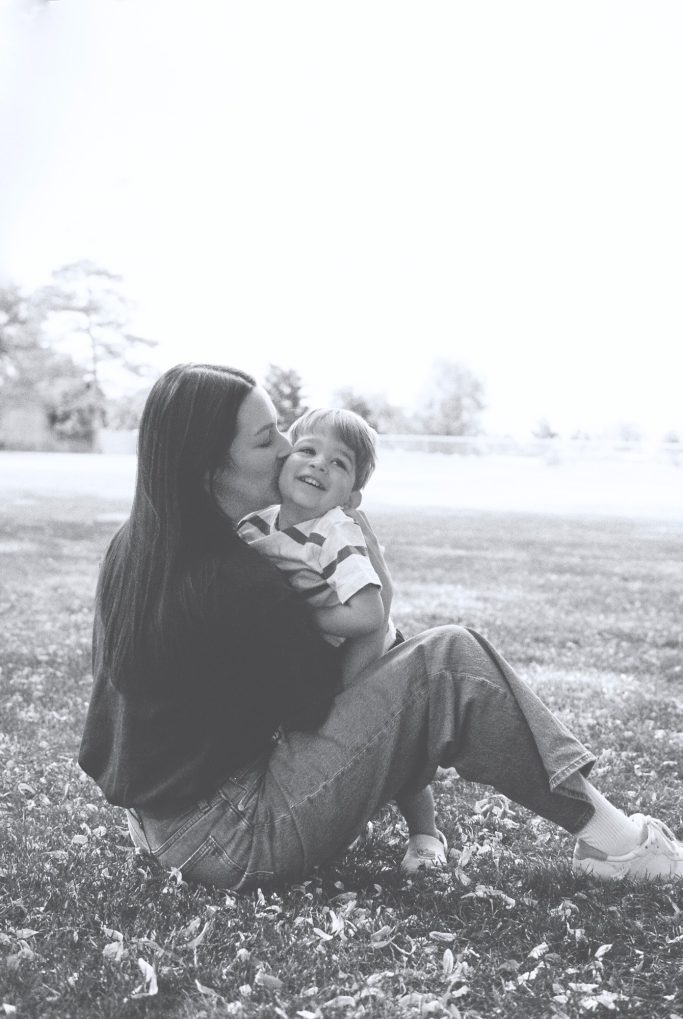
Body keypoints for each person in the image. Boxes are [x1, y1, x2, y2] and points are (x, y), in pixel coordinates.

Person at [79, 363, 683, 890]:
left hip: (158, 822)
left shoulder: (142, 545)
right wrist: (378, 608)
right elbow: (325, 706)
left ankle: (597, 833)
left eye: (282, 428)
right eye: (267, 440)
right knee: (448, 661)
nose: (288, 449)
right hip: (231, 837)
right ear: (210, 467)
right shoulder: (239, 579)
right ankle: (625, 846)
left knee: (424, 660)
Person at [238, 407, 446, 874]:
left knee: (396, 747)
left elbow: (369, 614)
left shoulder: (336, 531)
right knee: (311, 741)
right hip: (310, 660)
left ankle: (425, 833)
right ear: (283, 461)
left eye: (339, 462)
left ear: (351, 495)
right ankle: (342, 814)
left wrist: (298, 618)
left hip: (367, 652)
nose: (319, 464)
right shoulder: (254, 525)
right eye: (308, 450)